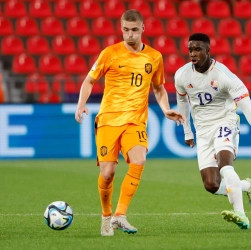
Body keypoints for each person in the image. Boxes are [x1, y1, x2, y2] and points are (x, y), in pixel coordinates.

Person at [75, 9, 184, 236]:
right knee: (108, 173)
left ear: (143, 29)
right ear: (121, 29)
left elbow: (158, 87)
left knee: (140, 159)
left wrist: (165, 109)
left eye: (134, 30)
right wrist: (81, 104)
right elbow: (89, 80)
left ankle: (120, 215)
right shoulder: (110, 53)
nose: (130, 35)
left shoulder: (154, 57)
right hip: (108, 119)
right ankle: (106, 217)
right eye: (126, 30)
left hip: (135, 121)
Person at [175, 33, 251, 230]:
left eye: (197, 50)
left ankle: (240, 214)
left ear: (208, 51)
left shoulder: (223, 75)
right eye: (190, 50)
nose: (193, 54)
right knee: (211, 185)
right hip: (202, 131)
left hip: (225, 122)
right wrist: (187, 131)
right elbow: (182, 101)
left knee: (225, 166)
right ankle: (248, 186)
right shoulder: (182, 75)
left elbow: (247, 107)